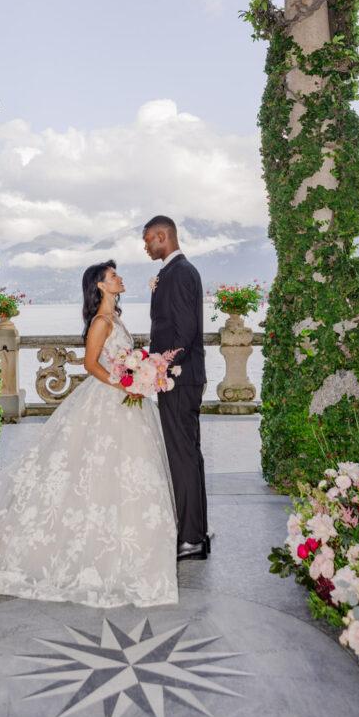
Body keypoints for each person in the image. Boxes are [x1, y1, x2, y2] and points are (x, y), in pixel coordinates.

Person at [0, 260, 177, 608]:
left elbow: (122, 359)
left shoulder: (116, 318)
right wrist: (124, 384)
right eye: (113, 276)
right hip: (108, 397)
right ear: (101, 286)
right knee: (91, 468)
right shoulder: (101, 322)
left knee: (124, 470)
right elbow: (91, 364)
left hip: (126, 399)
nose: (119, 278)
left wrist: (139, 376)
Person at [143, 216, 209, 561]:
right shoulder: (176, 272)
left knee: (182, 456)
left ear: (161, 236)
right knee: (189, 454)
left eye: (147, 241)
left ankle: (190, 538)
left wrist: (159, 366)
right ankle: (198, 533)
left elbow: (184, 331)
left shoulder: (180, 273)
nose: (145, 248)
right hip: (183, 377)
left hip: (179, 378)